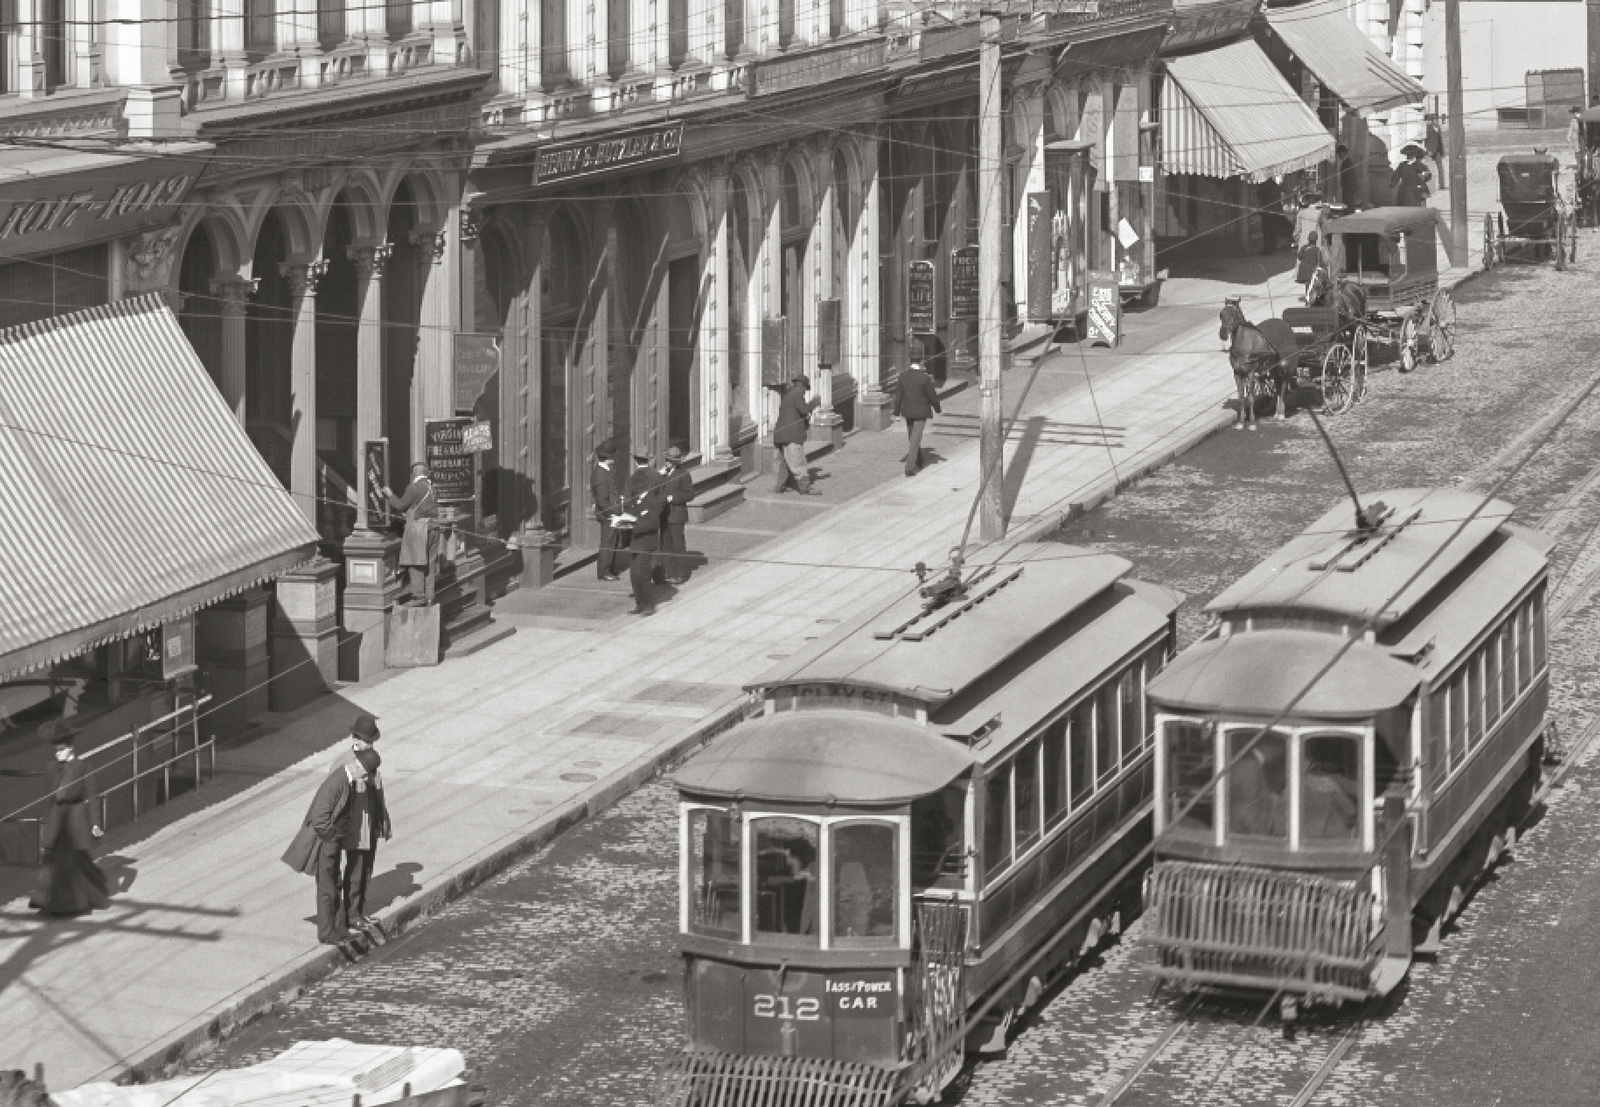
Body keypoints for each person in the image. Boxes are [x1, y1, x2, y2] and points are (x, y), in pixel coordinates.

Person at [280, 713, 388, 953]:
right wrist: (331, 836)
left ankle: (341, 924)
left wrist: (381, 821)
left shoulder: (366, 763)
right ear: (356, 739)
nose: (370, 745)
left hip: (355, 827)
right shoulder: (344, 768)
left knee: (341, 880)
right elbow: (324, 809)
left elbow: (376, 792)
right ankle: (333, 928)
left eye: (372, 741)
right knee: (331, 885)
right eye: (367, 741)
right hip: (340, 832)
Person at [29, 720, 109, 917]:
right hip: (57, 820)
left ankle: (71, 905)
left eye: (61, 750)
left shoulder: (84, 766)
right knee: (53, 863)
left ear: (71, 748)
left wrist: (95, 824)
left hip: (75, 820)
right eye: (56, 751)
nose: (58, 754)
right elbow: (49, 800)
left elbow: (93, 796)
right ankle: (49, 903)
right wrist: (47, 826)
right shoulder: (51, 768)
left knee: (70, 863)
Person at [382, 463, 439, 606]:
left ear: (414, 473)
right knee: (430, 564)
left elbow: (400, 505)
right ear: (426, 473)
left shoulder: (413, 487)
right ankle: (430, 596)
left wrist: (390, 495)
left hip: (419, 529)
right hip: (433, 527)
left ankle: (418, 596)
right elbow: (423, 507)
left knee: (416, 563)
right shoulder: (432, 487)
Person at [622, 448, 667, 616]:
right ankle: (642, 604)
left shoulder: (632, 480)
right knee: (638, 570)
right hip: (648, 530)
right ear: (648, 460)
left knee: (640, 571)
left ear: (635, 461)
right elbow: (662, 500)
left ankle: (646, 604)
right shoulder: (657, 477)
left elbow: (627, 504)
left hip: (639, 531)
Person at [892, 361, 942, 477]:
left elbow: (898, 396)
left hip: (908, 412)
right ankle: (909, 467)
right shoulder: (924, 378)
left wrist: (896, 413)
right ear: (920, 366)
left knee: (912, 437)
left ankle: (919, 460)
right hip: (921, 413)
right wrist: (938, 409)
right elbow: (932, 396)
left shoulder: (903, 377)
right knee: (915, 439)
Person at [772, 375, 820, 495]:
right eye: (805, 390)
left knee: (785, 462)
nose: (805, 393)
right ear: (802, 386)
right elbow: (804, 410)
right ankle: (805, 487)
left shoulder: (789, 395)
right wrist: (814, 403)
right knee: (798, 461)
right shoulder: (797, 394)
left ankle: (780, 486)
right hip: (791, 435)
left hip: (782, 435)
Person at [654, 446, 695, 585]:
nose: (667, 462)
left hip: (677, 515)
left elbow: (690, 495)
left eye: (670, 461)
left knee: (678, 545)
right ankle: (669, 572)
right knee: (665, 545)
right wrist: (658, 476)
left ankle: (681, 574)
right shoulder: (663, 474)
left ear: (676, 462)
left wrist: (673, 498)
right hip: (664, 515)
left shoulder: (683, 474)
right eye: (666, 460)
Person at [590, 439, 627, 582]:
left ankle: (610, 568)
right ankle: (604, 572)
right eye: (613, 457)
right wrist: (611, 515)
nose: (615, 459)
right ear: (608, 458)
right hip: (608, 516)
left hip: (612, 513)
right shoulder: (600, 475)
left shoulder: (606, 471)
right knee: (608, 543)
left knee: (613, 541)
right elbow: (602, 501)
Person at [1256, 177, 1285, 253]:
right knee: (1273, 231)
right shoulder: (1276, 186)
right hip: (1275, 212)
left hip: (1267, 212)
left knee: (1267, 231)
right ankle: (1273, 248)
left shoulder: (1264, 185)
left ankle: (1267, 249)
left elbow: (1258, 195)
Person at [1296, 231, 1324, 303]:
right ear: (1316, 240)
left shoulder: (1304, 248)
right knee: (1312, 283)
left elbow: (1299, 257)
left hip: (1303, 271)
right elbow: (1320, 262)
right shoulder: (1317, 250)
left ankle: (1308, 297)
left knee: (1308, 284)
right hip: (1311, 271)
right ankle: (1310, 299)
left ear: (1308, 239)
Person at [1425, 116, 1446, 185]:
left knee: (1440, 168)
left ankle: (1442, 184)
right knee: (1428, 168)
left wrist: (1442, 151)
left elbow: (1440, 141)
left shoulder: (1437, 127)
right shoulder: (1426, 128)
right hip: (1429, 151)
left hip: (1437, 151)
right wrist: (1427, 150)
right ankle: (1428, 185)